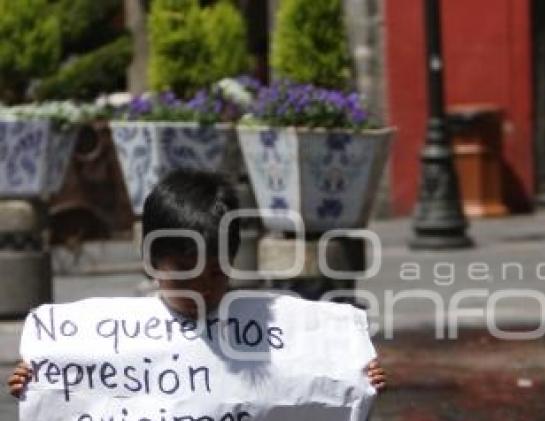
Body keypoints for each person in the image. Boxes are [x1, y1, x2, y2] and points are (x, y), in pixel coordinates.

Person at [8, 168, 387, 396]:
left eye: (217, 273)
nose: (202, 287)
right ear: (152, 261)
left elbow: (308, 381)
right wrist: (38, 380)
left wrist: (353, 374)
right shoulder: (110, 338)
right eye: (185, 271)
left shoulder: (271, 330)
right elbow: (72, 393)